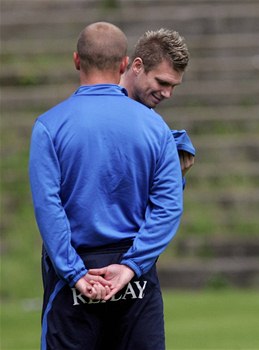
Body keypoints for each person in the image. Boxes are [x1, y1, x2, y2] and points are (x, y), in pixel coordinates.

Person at [29, 22, 183, 350]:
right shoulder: (156, 128)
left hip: (74, 270)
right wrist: (130, 267)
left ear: (76, 60)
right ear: (125, 64)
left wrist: (75, 273)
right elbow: (168, 207)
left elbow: (48, 207)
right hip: (136, 277)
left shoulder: (49, 127)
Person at [119, 28, 195, 183]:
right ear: (137, 66)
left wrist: (173, 176)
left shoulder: (153, 124)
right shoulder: (98, 105)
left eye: (173, 86)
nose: (167, 94)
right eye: (162, 82)